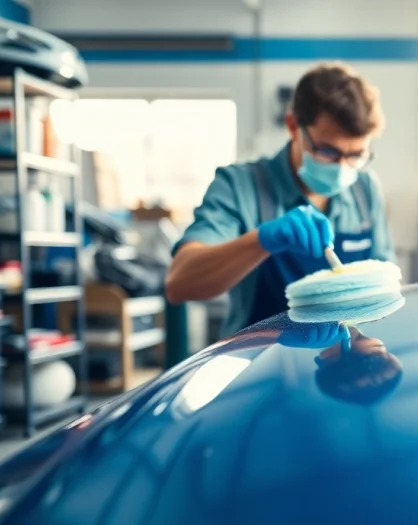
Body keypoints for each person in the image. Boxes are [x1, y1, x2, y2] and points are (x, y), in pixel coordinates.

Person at [166, 62, 396, 336]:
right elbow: (179, 284)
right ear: (293, 126)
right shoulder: (240, 186)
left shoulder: (364, 189)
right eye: (327, 151)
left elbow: (384, 290)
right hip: (257, 358)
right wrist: (262, 240)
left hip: (345, 355)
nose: (342, 167)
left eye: (356, 155)